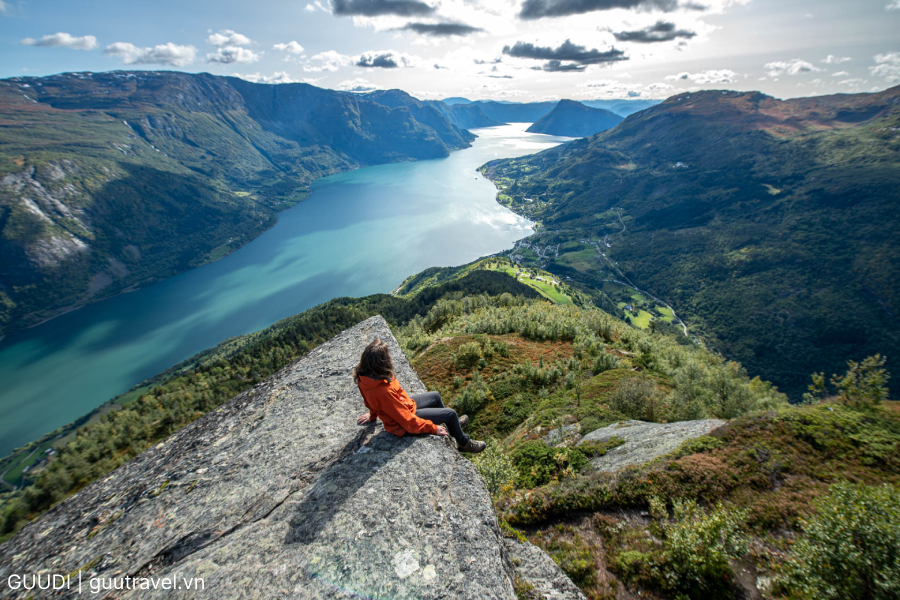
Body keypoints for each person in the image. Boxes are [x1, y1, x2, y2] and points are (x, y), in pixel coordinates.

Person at [354, 338, 486, 453]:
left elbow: (371, 401)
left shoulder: (365, 378)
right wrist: (432, 428)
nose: (390, 357)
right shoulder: (384, 391)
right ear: (380, 363)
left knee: (435, 396)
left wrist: (372, 415)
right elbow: (407, 421)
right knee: (451, 414)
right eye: (387, 356)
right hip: (401, 424)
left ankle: (452, 427)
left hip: (404, 405)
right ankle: (464, 443)